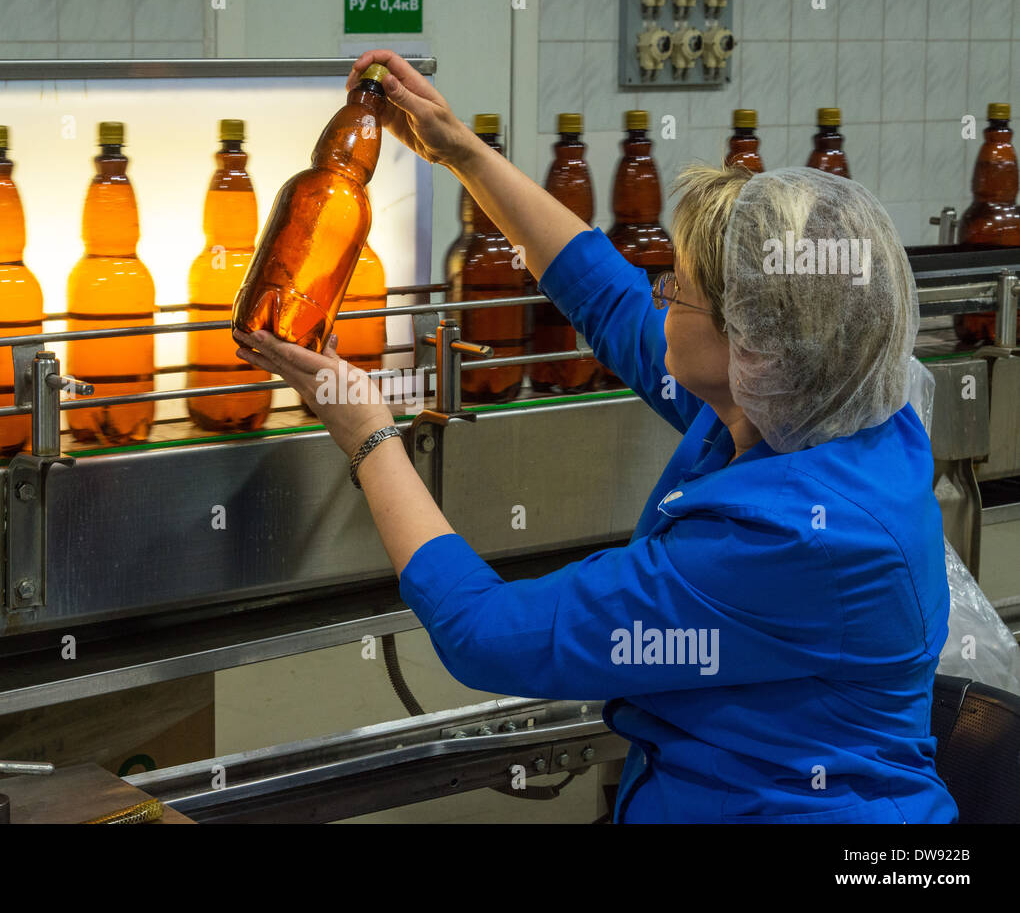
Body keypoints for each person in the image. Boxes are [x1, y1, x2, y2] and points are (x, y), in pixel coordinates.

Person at [232, 50, 958, 823]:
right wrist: (461, 151)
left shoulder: (787, 542)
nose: (657, 293)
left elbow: (485, 635)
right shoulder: (819, 408)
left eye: (677, 286)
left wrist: (369, 434)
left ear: (753, 344)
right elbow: (607, 297)